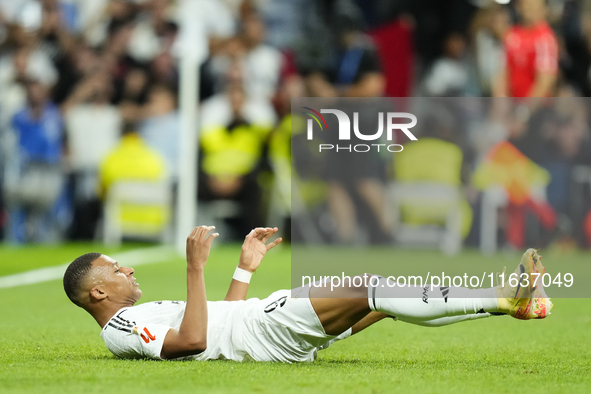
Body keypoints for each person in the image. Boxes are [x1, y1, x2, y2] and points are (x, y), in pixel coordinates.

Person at [63, 226, 553, 362]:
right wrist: (195, 269)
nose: (127, 269)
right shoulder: (121, 328)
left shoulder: (137, 315)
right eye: (115, 268)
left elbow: (216, 323)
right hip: (265, 331)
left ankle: (505, 305)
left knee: (381, 303)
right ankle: (503, 296)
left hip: (256, 323)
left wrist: (242, 268)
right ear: (99, 291)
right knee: (370, 288)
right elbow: (192, 341)